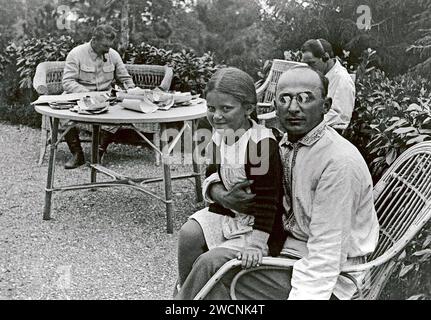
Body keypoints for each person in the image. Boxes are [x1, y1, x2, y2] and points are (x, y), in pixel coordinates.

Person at [189, 65, 379, 300]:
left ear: (326, 106)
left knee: (213, 267)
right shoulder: (281, 143)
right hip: (286, 248)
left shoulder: (338, 163)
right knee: (194, 238)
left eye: (305, 99)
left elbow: (327, 257)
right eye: (285, 99)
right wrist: (219, 193)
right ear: (274, 106)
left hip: (328, 278)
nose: (293, 108)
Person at [174, 67, 286, 300]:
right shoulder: (220, 134)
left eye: (226, 109)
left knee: (208, 261)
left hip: (257, 227)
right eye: (211, 108)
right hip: (229, 213)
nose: (216, 116)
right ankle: (188, 292)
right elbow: (212, 172)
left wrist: (257, 244)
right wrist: (219, 193)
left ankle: (188, 299)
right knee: (188, 233)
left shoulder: (260, 145)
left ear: (248, 109)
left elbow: (268, 202)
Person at [61, 24, 137, 169]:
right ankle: (77, 154)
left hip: (105, 97)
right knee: (64, 116)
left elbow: (125, 78)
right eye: (104, 45)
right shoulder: (76, 54)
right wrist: (88, 95)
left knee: (118, 113)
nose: (107, 50)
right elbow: (67, 82)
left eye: (110, 45)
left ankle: (99, 153)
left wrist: (132, 90)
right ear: (94, 40)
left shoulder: (113, 54)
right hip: (79, 96)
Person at [300, 38, 355, 133]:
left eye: (312, 63)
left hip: (331, 133)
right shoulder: (322, 74)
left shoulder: (341, 79)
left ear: (325, 57)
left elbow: (338, 116)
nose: (309, 68)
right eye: (306, 64)